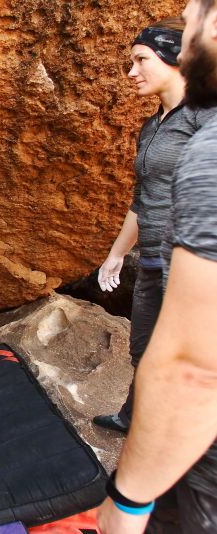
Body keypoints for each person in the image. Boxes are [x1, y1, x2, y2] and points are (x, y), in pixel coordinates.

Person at [97, 0, 217, 531]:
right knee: (144, 349)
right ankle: (136, 420)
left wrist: (125, 501)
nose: (131, 71)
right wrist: (117, 253)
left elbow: (196, 366)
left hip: (191, 265)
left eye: (141, 59)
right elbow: (141, 200)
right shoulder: (152, 127)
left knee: (180, 362)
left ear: (176, 58)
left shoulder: (204, 123)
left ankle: (178, 463)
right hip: (153, 260)